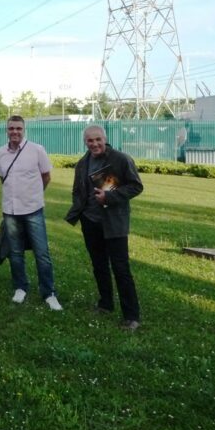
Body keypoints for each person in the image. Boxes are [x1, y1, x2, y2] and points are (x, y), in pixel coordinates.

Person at [65, 125, 144, 330]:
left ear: (105, 139)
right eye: (90, 140)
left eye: (98, 139)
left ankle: (131, 316)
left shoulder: (120, 159)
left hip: (113, 222)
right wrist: (80, 210)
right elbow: (77, 189)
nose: (94, 144)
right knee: (99, 265)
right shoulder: (83, 163)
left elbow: (136, 185)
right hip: (90, 222)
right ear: (85, 142)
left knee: (121, 268)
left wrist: (109, 196)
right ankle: (105, 304)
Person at [0, 115, 62, 311]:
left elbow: (46, 176)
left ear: (24, 130)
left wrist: (34, 195)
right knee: (15, 253)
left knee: (42, 253)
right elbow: (2, 177)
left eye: (18, 128)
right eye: (11, 128)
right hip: (11, 210)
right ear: (6, 130)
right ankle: (20, 287)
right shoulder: (1, 153)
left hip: (33, 209)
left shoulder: (36, 150)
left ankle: (49, 293)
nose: (14, 132)